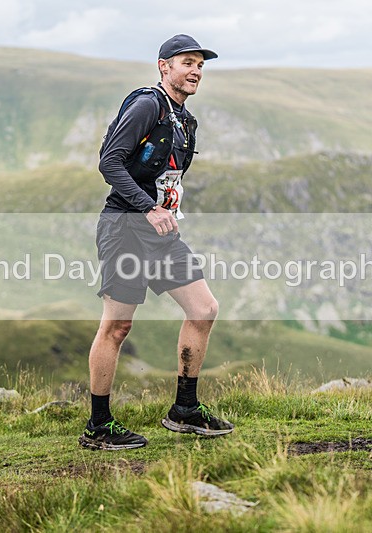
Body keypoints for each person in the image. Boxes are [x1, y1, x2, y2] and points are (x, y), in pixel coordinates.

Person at [79, 35, 234, 450]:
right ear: (164, 66)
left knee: (204, 309)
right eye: (187, 62)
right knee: (117, 326)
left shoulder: (185, 119)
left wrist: (165, 210)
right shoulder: (148, 104)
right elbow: (109, 161)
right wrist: (149, 206)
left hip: (162, 234)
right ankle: (98, 425)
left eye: (200, 64)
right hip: (126, 227)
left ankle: (184, 409)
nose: (196, 70)